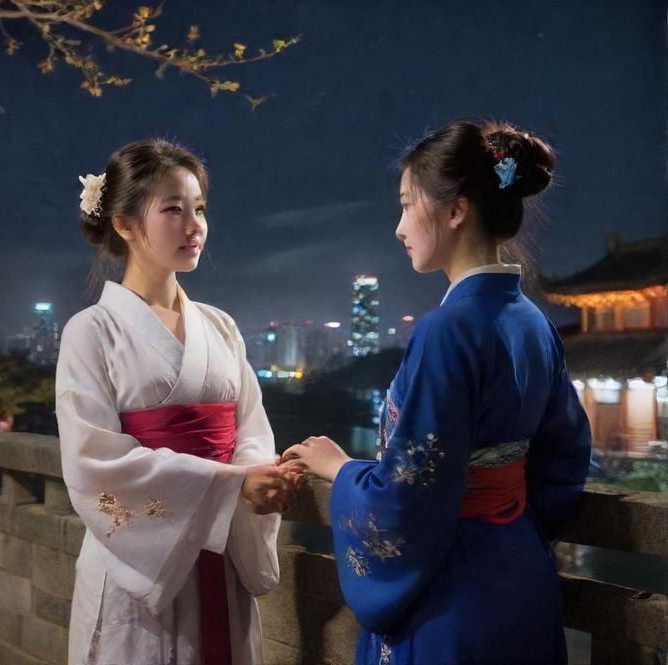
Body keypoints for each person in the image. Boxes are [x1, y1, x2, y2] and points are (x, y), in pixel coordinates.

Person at [282, 120, 592, 665]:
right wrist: (510, 523)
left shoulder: (446, 330)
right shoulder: (532, 322)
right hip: (521, 572)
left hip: (452, 588)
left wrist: (342, 470)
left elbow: (410, 492)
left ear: (456, 210)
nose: (399, 227)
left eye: (407, 205)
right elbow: (566, 457)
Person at [56, 139, 293, 665]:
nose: (194, 226)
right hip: (139, 571)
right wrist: (231, 484)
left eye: (199, 209)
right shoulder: (91, 332)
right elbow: (94, 461)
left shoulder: (221, 326)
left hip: (221, 549)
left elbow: (252, 427)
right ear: (124, 224)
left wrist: (255, 477)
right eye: (173, 210)